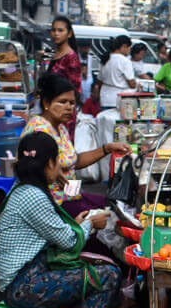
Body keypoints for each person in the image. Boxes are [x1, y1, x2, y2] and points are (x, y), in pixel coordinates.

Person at [0, 131, 120, 308]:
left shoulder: (22, 190)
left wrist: (80, 224)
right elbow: (69, 242)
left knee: (94, 268)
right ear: (49, 163)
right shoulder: (33, 196)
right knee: (108, 276)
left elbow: (56, 232)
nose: (60, 168)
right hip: (23, 286)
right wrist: (91, 223)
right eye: (57, 162)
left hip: (20, 281)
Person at [24, 73, 129, 209]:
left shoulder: (60, 127)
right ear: (46, 103)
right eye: (62, 102)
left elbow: (74, 161)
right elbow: (33, 168)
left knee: (112, 205)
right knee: (104, 213)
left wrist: (107, 148)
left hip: (69, 196)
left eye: (72, 103)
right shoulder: (38, 129)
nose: (69, 107)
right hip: (50, 205)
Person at [98, 35, 136, 110]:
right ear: (124, 46)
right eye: (129, 48)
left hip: (105, 98)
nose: (129, 51)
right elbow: (132, 84)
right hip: (119, 98)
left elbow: (99, 81)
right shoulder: (125, 61)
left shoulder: (105, 59)